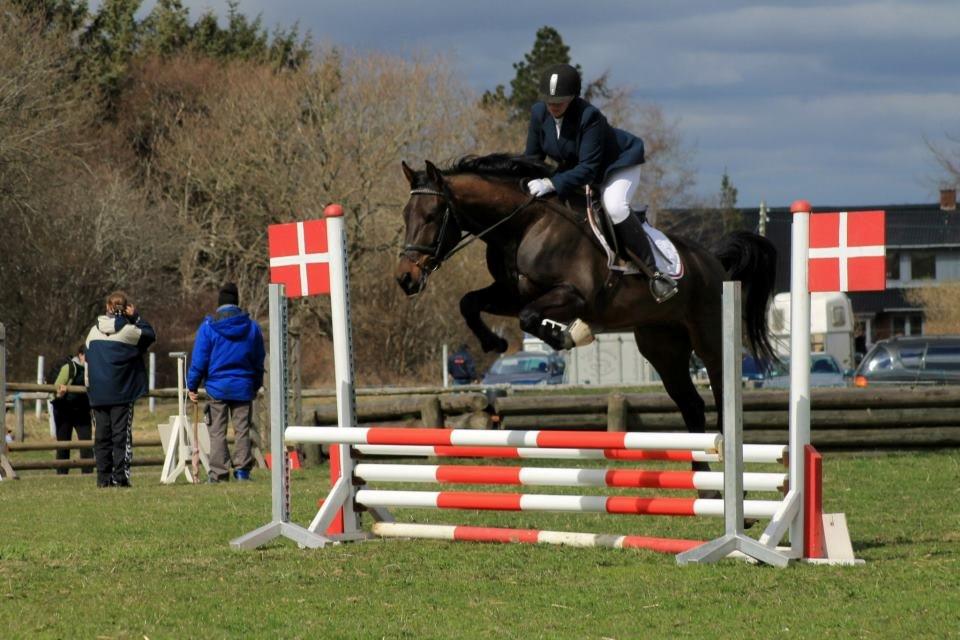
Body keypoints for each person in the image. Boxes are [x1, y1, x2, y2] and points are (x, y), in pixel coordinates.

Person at [523, 63, 678, 302]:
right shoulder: (538, 113)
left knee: (614, 205)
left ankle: (655, 273)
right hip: (578, 169)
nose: (553, 106)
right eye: (549, 101)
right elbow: (532, 159)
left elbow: (588, 169)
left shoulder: (589, 117)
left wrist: (552, 183)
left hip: (617, 165)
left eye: (560, 101)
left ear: (573, 97)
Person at [187, 283, 265, 483]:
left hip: (217, 388)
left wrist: (192, 385)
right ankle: (242, 472)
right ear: (236, 302)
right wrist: (255, 385)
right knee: (242, 430)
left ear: (219, 303)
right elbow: (258, 361)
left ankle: (219, 473)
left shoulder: (208, 328)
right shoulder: (252, 328)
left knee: (217, 432)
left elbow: (199, 360)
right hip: (243, 386)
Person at [85, 291, 156, 488]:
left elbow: (89, 362)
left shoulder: (93, 332)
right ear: (125, 308)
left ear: (107, 308)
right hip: (121, 392)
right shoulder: (128, 332)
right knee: (121, 436)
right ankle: (120, 477)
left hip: (98, 392)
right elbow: (150, 335)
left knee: (101, 437)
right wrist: (136, 317)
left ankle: (103, 478)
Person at [51, 344, 92, 475]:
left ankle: (88, 473)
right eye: (87, 355)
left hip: (82, 410)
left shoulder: (91, 370)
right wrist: (61, 390)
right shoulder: (69, 368)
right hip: (64, 410)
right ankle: (62, 474)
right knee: (64, 444)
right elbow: (56, 387)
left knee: (86, 443)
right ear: (80, 355)